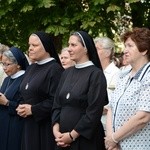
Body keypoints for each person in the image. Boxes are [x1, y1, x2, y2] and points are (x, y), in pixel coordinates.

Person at [52, 31, 108, 150]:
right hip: (62, 139)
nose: (69, 49)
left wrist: (72, 135)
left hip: (85, 141)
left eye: (73, 45)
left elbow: (94, 111)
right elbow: (57, 104)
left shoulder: (96, 75)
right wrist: (56, 130)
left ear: (86, 48)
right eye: (69, 45)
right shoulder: (66, 73)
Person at [16, 31, 64, 150]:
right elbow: (25, 92)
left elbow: (56, 100)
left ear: (46, 47)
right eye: (29, 45)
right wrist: (21, 106)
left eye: (35, 45)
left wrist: (33, 109)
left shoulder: (55, 69)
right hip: (28, 125)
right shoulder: (31, 68)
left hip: (45, 126)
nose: (30, 48)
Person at [105, 27, 150, 150]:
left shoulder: (148, 76)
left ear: (144, 50)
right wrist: (110, 139)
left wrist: (114, 138)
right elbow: (111, 108)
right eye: (125, 46)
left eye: (130, 46)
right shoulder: (123, 74)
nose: (125, 50)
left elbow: (143, 117)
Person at [0, 47, 29, 150]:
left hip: (16, 125)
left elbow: (24, 106)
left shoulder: (25, 79)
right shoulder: (7, 79)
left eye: (7, 64)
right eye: (3, 64)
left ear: (18, 64)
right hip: (3, 124)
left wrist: (7, 103)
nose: (4, 68)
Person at [94, 37, 120, 130]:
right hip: (91, 124)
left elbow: (112, 104)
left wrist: (91, 111)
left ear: (107, 53)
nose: (93, 52)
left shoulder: (116, 74)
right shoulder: (94, 72)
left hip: (106, 127)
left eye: (97, 49)